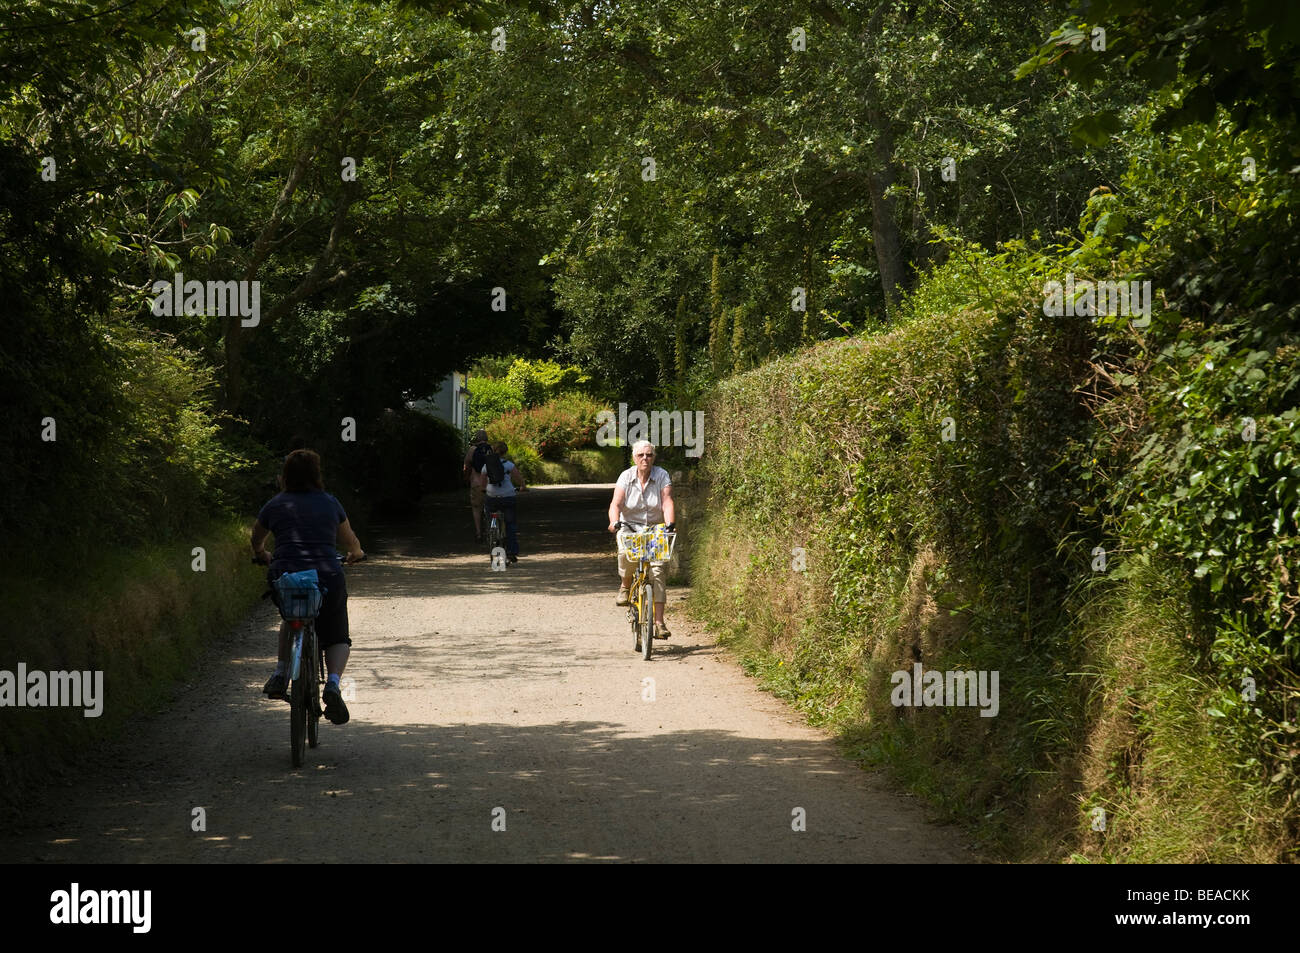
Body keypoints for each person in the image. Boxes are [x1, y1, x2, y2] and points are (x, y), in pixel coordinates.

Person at [252, 449, 365, 725]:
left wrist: (262, 554)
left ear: (285, 476)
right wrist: (356, 552)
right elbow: (349, 539)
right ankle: (333, 685)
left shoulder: (275, 504)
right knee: (337, 635)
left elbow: (256, 539)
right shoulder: (329, 502)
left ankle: (280, 672)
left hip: (287, 575)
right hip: (325, 575)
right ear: (317, 475)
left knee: (291, 618)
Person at [607, 440, 675, 637]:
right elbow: (616, 504)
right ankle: (625, 585)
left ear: (654, 457)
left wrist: (670, 523)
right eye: (641, 455)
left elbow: (667, 501)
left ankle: (660, 623)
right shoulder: (626, 477)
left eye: (649, 455)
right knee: (625, 553)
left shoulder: (661, 475)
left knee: (658, 570)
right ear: (634, 458)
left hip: (655, 528)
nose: (645, 458)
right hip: (629, 525)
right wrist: (614, 521)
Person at [480, 440, 525, 563]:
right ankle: (511, 551)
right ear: (505, 452)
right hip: (508, 496)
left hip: (492, 497)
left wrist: (484, 489)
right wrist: (522, 486)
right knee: (510, 524)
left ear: (493, 451)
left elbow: (482, 482)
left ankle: (491, 533)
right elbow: (518, 478)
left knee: (489, 517)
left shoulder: (487, 465)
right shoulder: (509, 464)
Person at [463, 429, 492, 542]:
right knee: (491, 507)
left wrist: (465, 478)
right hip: (491, 483)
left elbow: (466, 467)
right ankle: (492, 530)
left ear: (476, 438)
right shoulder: (492, 449)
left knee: (476, 508)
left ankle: (479, 533)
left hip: (477, 483)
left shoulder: (472, 450)